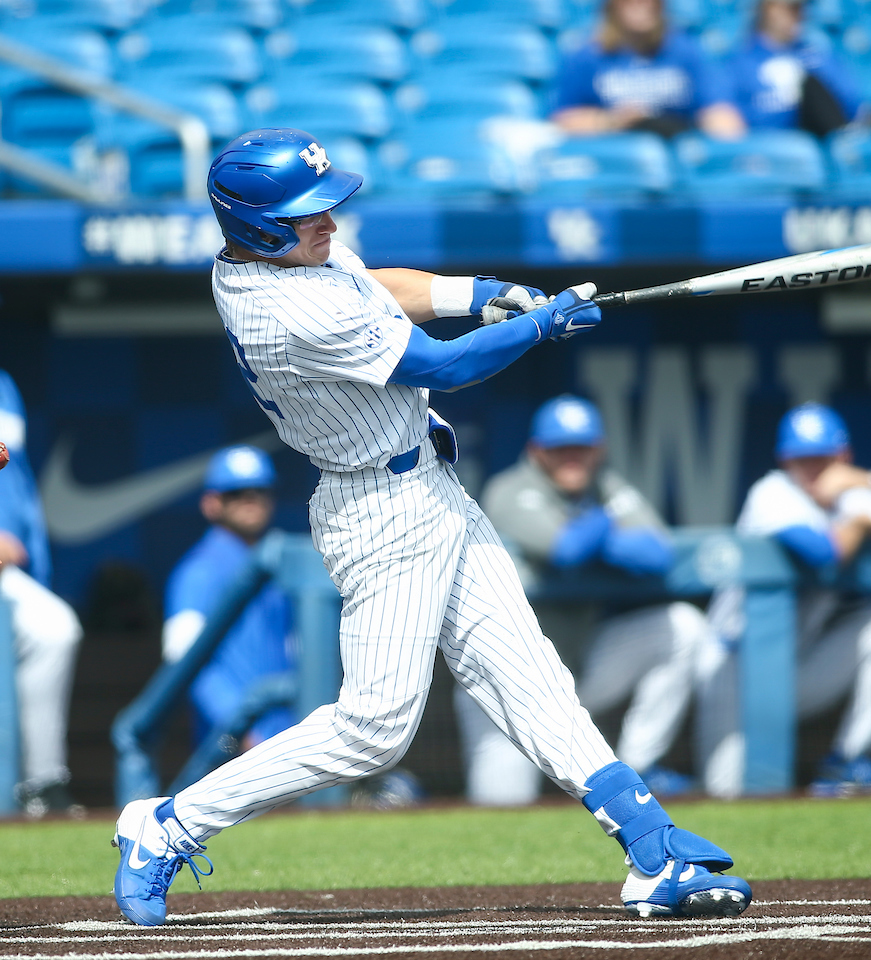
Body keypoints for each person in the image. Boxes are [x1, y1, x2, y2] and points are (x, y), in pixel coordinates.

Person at [111, 128, 750, 926]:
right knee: (374, 730)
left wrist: (477, 292)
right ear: (258, 228)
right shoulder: (282, 309)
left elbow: (371, 287)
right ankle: (168, 825)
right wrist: (539, 328)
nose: (330, 224)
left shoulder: (289, 259)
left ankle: (653, 849)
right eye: (310, 214)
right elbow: (443, 366)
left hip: (429, 486)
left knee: (530, 675)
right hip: (377, 513)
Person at [455, 395, 709, 805]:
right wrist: (608, 525)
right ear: (537, 452)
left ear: (599, 450)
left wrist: (597, 530)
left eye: (582, 448)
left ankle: (639, 769)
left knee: (682, 626)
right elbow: (567, 550)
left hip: (575, 666)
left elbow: (658, 553)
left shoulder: (605, 485)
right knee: (502, 813)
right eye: (559, 450)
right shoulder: (509, 489)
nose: (572, 459)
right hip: (504, 682)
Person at [695, 403, 871, 798]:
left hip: (797, 666)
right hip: (733, 671)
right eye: (802, 459)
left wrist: (870, 484)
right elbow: (822, 554)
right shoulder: (772, 493)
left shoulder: (853, 496)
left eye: (822, 459)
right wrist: (860, 522)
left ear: (842, 458)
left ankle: (849, 759)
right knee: (729, 798)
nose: (812, 469)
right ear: (785, 460)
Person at [162, 446, 295, 752]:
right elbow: (184, 661)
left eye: (260, 491)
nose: (252, 500)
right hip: (231, 747)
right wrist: (237, 728)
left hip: (288, 736)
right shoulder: (198, 571)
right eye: (237, 493)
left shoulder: (276, 566)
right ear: (211, 503)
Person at [0, 370, 84, 818]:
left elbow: (15, 476)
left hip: (10, 568)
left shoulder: (5, 383)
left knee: (53, 629)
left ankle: (41, 783)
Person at [552, 0, 746, 140]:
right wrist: (613, 120)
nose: (642, 3)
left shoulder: (686, 52)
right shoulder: (589, 56)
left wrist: (702, 127)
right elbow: (560, 121)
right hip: (617, 157)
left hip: (675, 154)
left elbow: (723, 115)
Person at [729, 0, 867, 135]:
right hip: (771, 148)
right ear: (769, 8)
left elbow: (853, 107)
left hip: (825, 140)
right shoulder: (739, 63)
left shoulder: (818, 56)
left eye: (803, 7)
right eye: (792, 8)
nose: (800, 15)